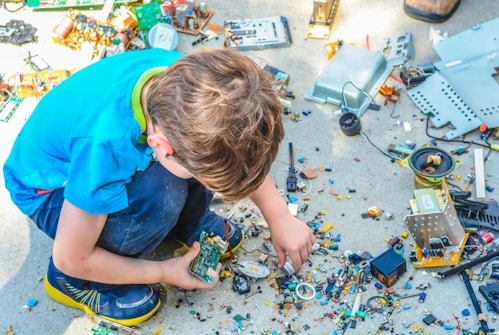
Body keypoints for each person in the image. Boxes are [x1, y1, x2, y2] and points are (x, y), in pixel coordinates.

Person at [3, 48, 315, 326]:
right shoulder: (105, 148)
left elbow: (239, 150)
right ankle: (74, 285)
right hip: (53, 191)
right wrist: (163, 273)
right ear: (159, 145)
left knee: (189, 170)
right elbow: (71, 256)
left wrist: (279, 216)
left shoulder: (195, 84)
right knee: (162, 194)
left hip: (102, 162)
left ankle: (182, 225)